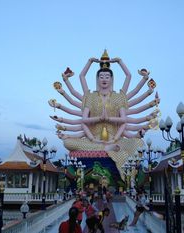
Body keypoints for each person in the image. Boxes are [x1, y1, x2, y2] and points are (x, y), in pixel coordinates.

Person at [49, 50, 160, 179]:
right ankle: (107, 147)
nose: (104, 79)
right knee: (68, 143)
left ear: (112, 79)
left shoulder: (118, 97)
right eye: (101, 77)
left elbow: (123, 120)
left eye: (107, 77)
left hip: (116, 139)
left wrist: (119, 62)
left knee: (138, 144)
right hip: (94, 140)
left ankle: (109, 147)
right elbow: (84, 121)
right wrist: (90, 61)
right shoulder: (90, 97)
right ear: (97, 79)